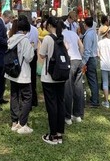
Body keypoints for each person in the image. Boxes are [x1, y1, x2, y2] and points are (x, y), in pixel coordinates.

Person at [39, 16, 68, 145]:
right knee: (60, 103)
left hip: (49, 77)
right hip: (61, 76)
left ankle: (52, 135)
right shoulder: (62, 38)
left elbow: (42, 55)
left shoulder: (47, 39)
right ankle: (59, 133)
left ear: (50, 25)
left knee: (52, 105)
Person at [6, 15, 34, 134]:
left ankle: (14, 122)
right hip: (23, 73)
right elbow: (29, 58)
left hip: (12, 72)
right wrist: (31, 48)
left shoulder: (11, 39)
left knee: (14, 95)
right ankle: (22, 123)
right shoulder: (25, 40)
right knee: (27, 97)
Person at [62, 22, 84, 125]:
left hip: (70, 61)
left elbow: (65, 48)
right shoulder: (73, 33)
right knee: (78, 88)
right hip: (79, 60)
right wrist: (81, 56)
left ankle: (67, 116)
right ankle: (77, 115)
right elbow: (81, 46)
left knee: (68, 89)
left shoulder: (61, 35)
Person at [81, 16, 100, 108]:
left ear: (85, 24)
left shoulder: (88, 35)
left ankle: (95, 101)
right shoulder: (93, 33)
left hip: (90, 59)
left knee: (92, 80)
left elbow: (87, 50)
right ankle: (95, 98)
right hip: (93, 57)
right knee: (94, 79)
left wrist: (84, 62)